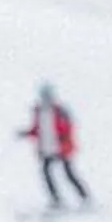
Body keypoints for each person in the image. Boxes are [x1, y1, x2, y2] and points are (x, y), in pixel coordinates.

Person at [19, 82, 91, 212]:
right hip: (47, 148)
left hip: (61, 148)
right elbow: (38, 130)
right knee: (46, 173)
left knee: (68, 173)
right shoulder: (39, 111)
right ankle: (56, 199)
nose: (46, 98)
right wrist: (26, 133)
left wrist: (64, 139)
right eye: (43, 96)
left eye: (48, 96)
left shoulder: (60, 110)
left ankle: (85, 197)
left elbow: (69, 127)